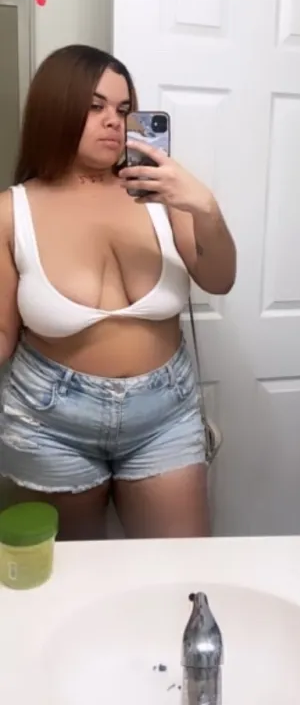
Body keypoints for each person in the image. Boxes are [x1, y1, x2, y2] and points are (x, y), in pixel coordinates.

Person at [0, 44, 236, 541]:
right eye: (95, 106)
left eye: (123, 108)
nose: (114, 120)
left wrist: (205, 207)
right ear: (56, 107)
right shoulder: (11, 211)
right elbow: (4, 335)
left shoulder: (160, 194)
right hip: (49, 422)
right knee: (72, 576)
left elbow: (219, 279)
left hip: (165, 415)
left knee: (179, 572)